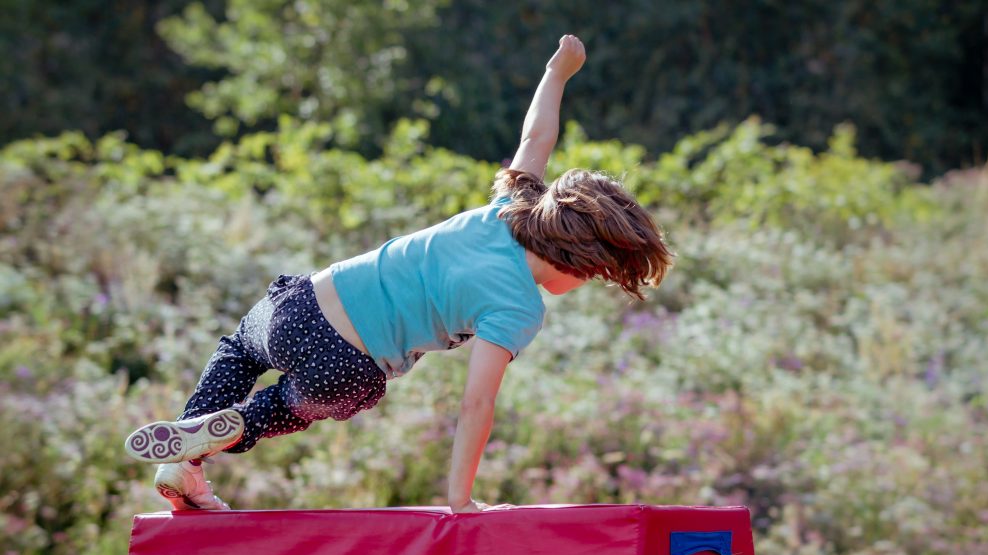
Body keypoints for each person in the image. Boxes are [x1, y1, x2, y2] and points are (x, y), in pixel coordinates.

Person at [124, 34, 673, 513]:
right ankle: (240, 426)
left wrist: (556, 73)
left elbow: (537, 139)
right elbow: (476, 403)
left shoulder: (508, 208)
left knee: (241, 348)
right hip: (345, 366)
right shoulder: (518, 307)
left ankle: (185, 453)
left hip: (298, 307)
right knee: (325, 396)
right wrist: (460, 499)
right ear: (580, 263)